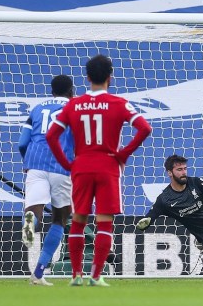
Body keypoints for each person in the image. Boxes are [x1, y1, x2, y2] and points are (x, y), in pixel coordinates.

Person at [46, 54, 153, 287]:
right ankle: (95, 276)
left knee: (78, 219)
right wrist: (124, 153)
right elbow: (145, 128)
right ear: (109, 77)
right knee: (104, 221)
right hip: (108, 166)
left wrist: (67, 164)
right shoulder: (118, 103)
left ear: (87, 78)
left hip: (81, 166)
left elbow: (51, 135)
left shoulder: (74, 104)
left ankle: (76, 275)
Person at [17, 74, 76, 286]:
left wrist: (28, 162)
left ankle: (30, 222)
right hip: (61, 165)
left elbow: (22, 143)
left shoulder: (36, 109)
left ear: (51, 91)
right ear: (72, 91)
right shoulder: (75, 107)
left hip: (35, 163)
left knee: (34, 209)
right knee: (60, 220)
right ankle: (39, 272)